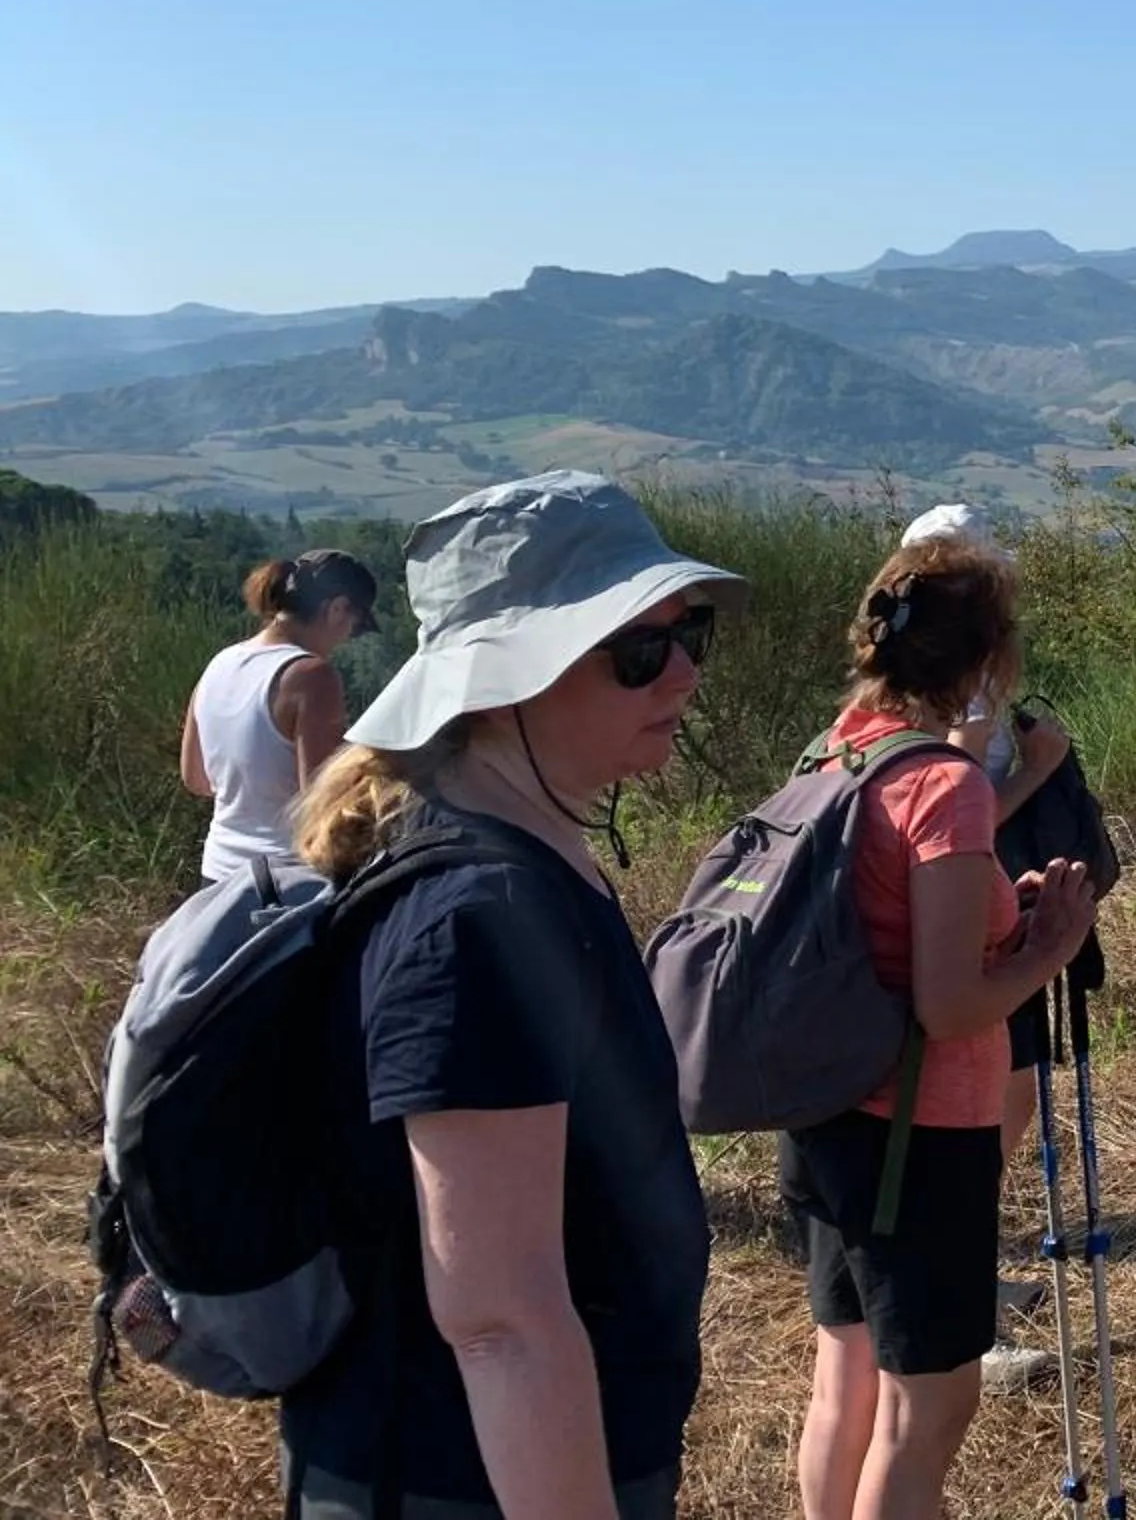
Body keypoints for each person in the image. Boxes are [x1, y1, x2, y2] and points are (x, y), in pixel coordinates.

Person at [280, 472, 744, 1518]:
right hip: (461, 1482)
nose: (682, 676)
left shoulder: (531, 855)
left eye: (690, 635)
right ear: (503, 685)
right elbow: (499, 1319)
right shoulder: (475, 921)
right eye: (638, 650)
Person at [783, 533, 1098, 1520]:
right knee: (928, 1409)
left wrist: (1010, 934)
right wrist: (1053, 944)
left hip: (830, 1111)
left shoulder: (840, 746)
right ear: (991, 660)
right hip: (918, 1136)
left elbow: (896, 943)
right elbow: (951, 1004)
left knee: (847, 1378)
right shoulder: (945, 786)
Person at [896, 501, 1079, 1392]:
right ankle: (970, 1309)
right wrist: (1043, 770)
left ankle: (973, 1287)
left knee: (985, 1123)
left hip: (955, 919)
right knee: (985, 1122)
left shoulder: (884, 694)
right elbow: (957, 814)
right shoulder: (964, 691)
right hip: (974, 925)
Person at [179, 548, 380, 880]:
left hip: (217, 875)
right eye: (354, 626)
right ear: (338, 608)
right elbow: (322, 799)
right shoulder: (312, 676)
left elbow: (196, 779)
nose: (348, 638)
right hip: (285, 881)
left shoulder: (220, 663)